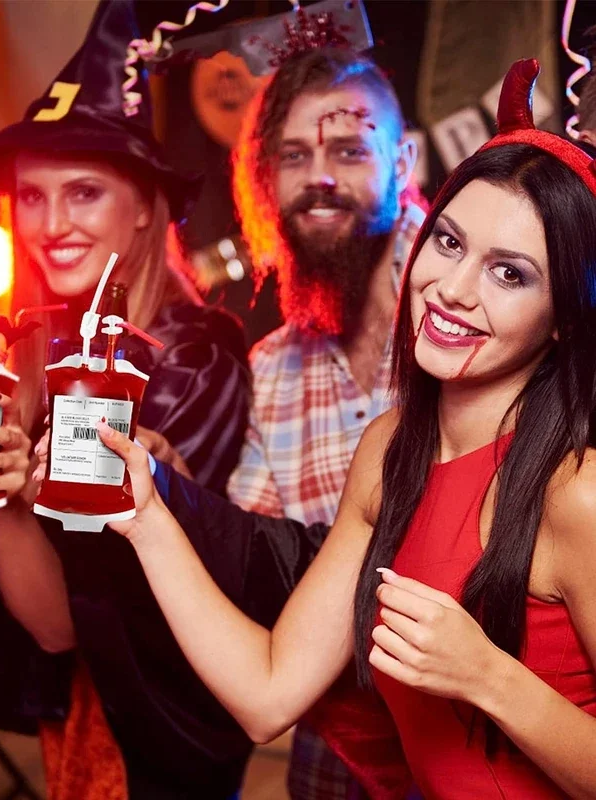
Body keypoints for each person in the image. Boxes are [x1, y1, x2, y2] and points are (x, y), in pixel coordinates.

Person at [97, 58, 596, 798]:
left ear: (564, 320)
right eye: (449, 243)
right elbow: (267, 694)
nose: (453, 290)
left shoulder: (578, 492)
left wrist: (488, 676)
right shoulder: (389, 449)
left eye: (510, 273)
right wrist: (146, 517)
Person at [0, 2, 252, 798]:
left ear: (144, 205)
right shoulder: (30, 350)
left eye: (83, 192)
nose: (50, 224)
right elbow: (49, 630)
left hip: (160, 724)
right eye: (31, 196)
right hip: (68, 714)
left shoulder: (194, 358)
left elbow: (81, 618)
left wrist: (9, 490)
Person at [227, 44, 423, 799]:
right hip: (335, 741)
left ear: (402, 162)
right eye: (294, 155)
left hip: (495, 731)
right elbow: (256, 559)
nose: (320, 178)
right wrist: (165, 485)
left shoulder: (482, 306)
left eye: (348, 150)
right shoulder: (272, 367)